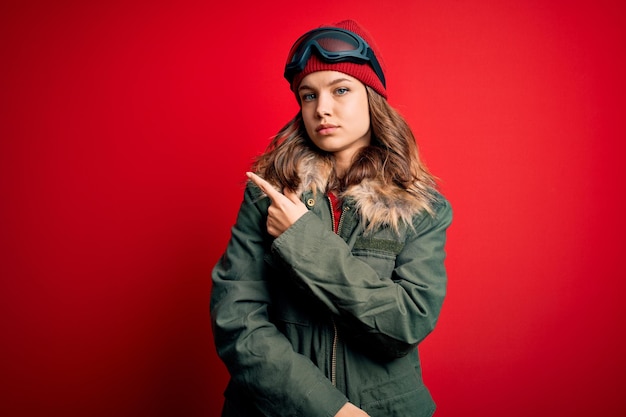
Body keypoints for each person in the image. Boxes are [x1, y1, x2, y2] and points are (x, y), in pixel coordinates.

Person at [210, 19, 452, 417]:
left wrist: (302, 238)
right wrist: (329, 410)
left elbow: (406, 322)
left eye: (341, 90)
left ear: (371, 97)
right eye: (308, 95)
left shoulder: (421, 207)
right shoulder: (268, 194)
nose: (322, 108)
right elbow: (236, 320)